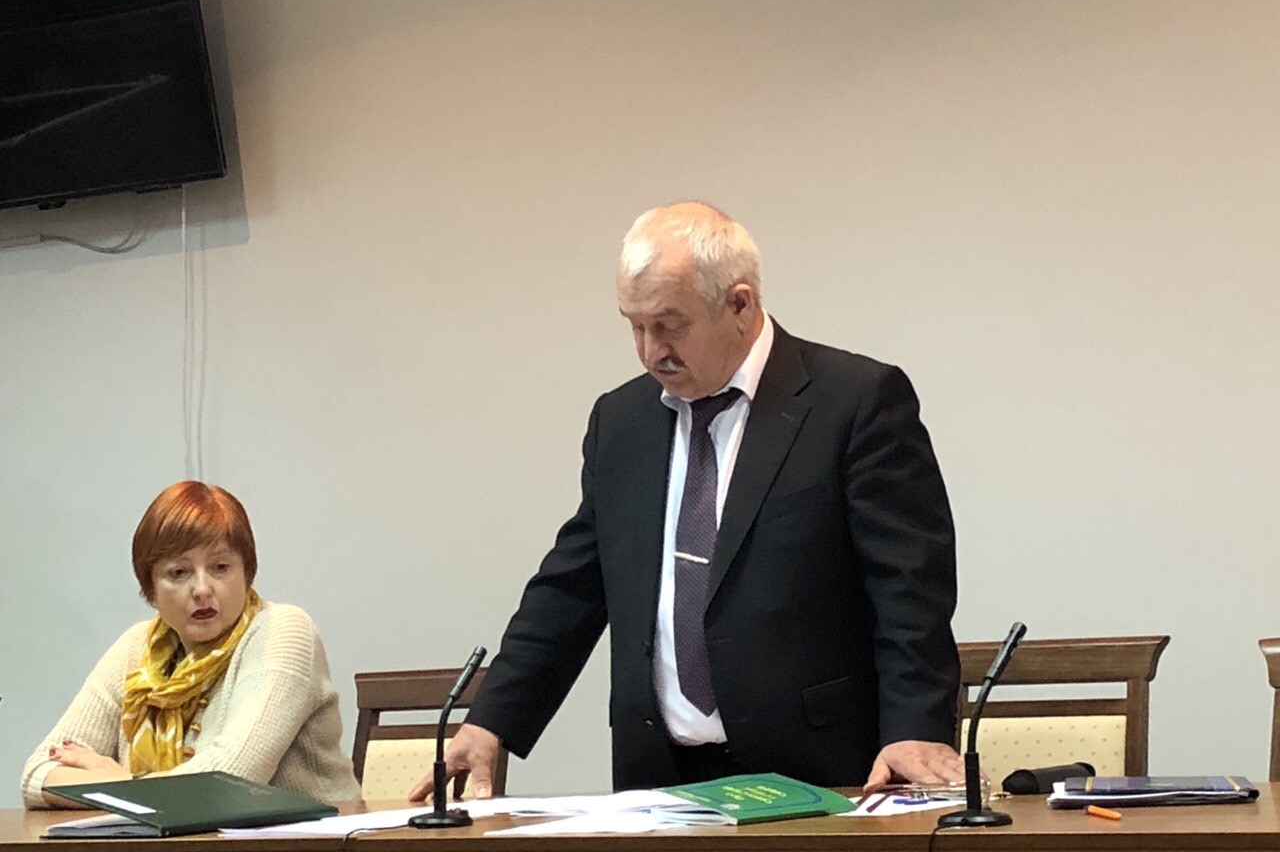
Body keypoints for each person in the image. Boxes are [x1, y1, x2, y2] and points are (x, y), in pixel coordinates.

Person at [410, 201, 963, 801]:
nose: (651, 351)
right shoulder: (621, 421)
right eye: (634, 326)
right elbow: (573, 584)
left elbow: (908, 586)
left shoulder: (853, 402)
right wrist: (492, 720)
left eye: (670, 325)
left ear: (740, 304)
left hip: (822, 771)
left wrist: (916, 727)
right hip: (659, 779)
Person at [20, 481, 361, 808]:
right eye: (179, 573)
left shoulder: (283, 630)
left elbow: (226, 783)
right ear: (150, 588)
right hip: (176, 837)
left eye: (220, 567)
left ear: (247, 573)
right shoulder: (136, 648)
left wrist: (122, 786)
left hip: (311, 839)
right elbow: (37, 775)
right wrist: (132, 791)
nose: (201, 589)